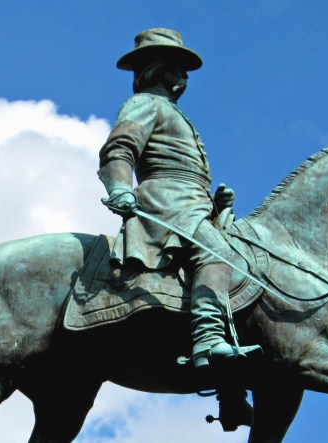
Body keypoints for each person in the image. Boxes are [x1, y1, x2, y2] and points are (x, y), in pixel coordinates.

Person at [98, 28, 261, 370]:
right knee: (217, 252)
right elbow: (120, 149)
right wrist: (120, 188)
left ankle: (230, 389)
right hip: (165, 203)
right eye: (177, 67)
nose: (185, 76)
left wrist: (216, 203)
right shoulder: (144, 104)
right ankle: (207, 337)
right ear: (157, 69)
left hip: (192, 205)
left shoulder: (172, 112)